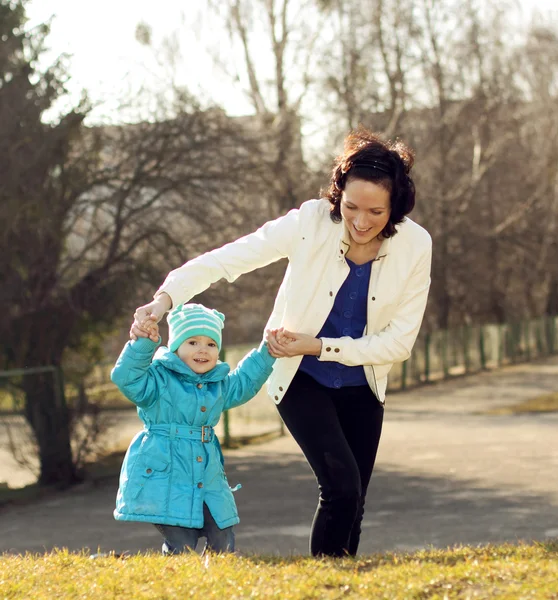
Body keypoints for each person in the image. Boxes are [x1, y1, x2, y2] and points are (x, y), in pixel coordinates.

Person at [130, 127, 432, 557]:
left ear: (396, 206)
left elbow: (399, 342)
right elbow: (227, 259)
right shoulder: (310, 222)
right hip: (297, 376)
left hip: (362, 381)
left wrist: (320, 345)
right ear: (337, 195)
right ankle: (326, 583)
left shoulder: (416, 246)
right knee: (341, 486)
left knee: (355, 499)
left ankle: (343, 583)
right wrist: (163, 301)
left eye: (376, 212)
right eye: (350, 207)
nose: (361, 222)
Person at [111, 302, 276, 555]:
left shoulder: (217, 385)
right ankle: (175, 582)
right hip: (166, 471)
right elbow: (126, 378)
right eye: (193, 342)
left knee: (223, 533)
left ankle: (217, 582)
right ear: (176, 347)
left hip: (206, 474)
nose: (203, 350)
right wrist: (143, 343)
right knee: (182, 542)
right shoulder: (158, 380)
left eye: (211, 344)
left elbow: (244, 382)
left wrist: (267, 352)